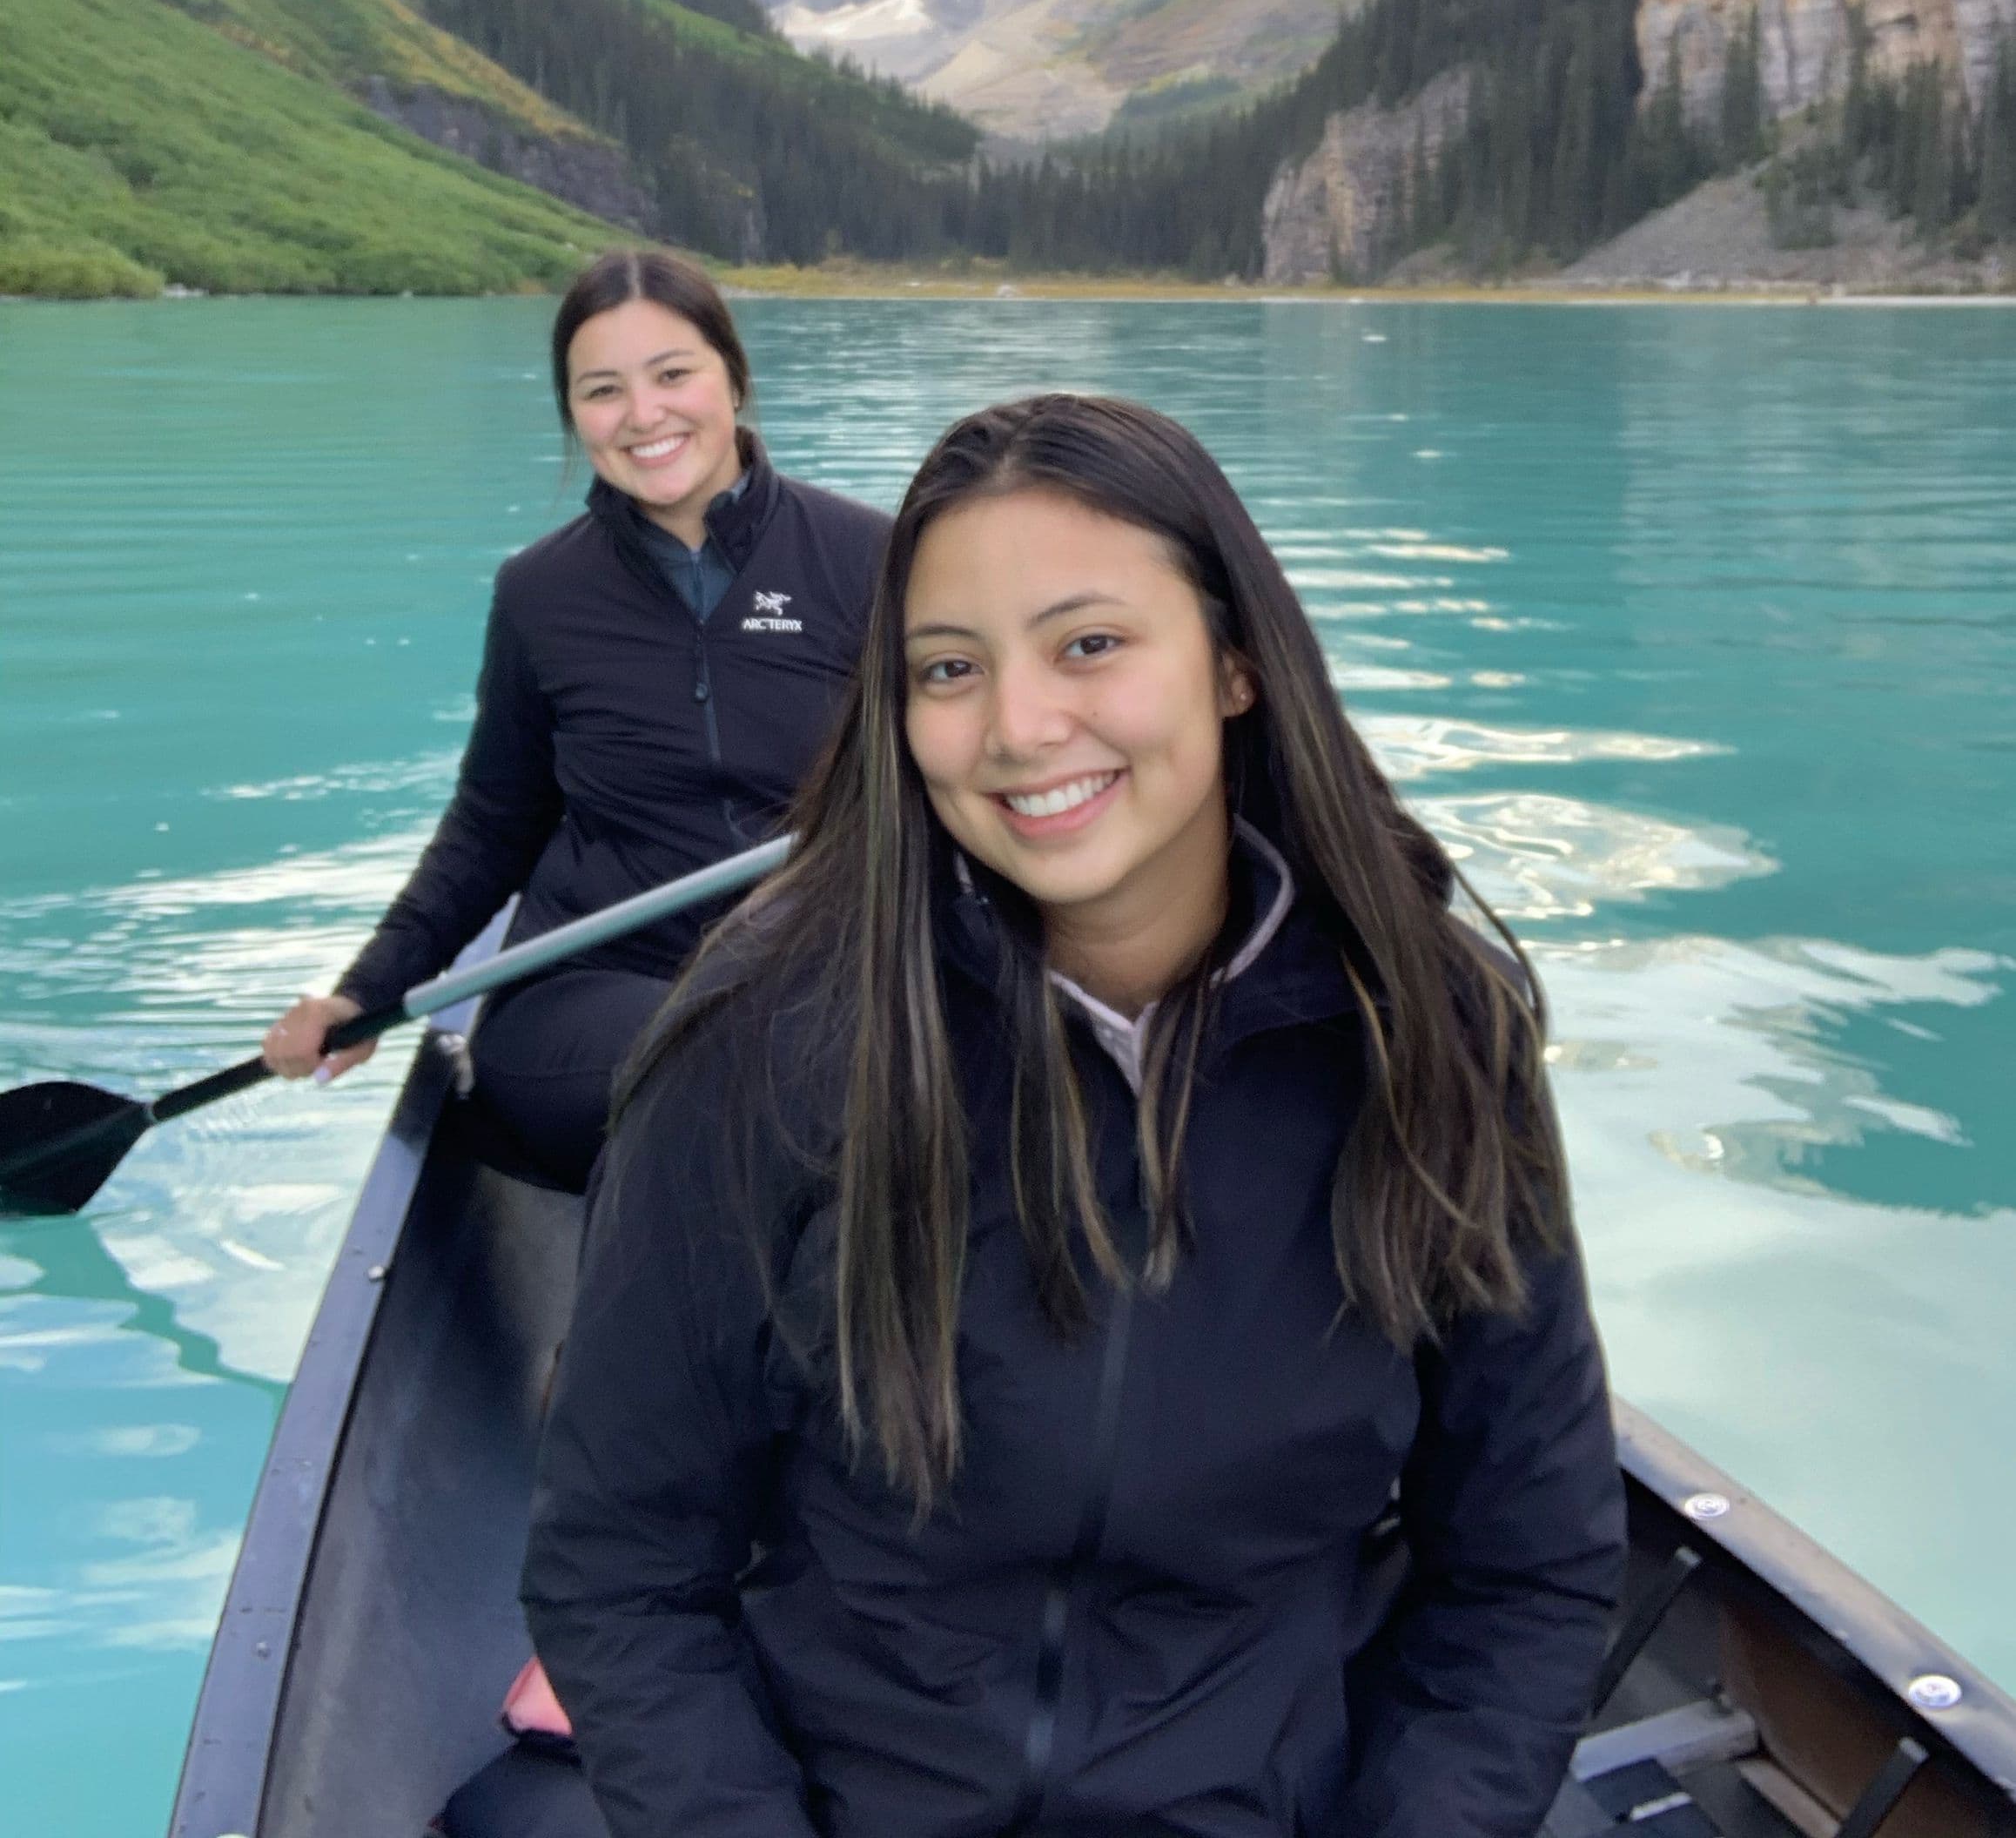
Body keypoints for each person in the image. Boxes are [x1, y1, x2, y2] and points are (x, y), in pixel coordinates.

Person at [522, 394, 1624, 1838]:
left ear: (1234, 660)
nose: (1018, 727)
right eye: (948, 667)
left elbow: (1526, 1568)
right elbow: (622, 1563)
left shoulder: (1430, 1037)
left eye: (1089, 643)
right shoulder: (770, 1033)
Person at [261, 247, 887, 1193]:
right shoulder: (540, 593)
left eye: (673, 373)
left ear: (734, 378)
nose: (644, 415)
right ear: (572, 414)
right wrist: (365, 988)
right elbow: (491, 823)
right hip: (593, 990)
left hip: (824, 971)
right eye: (603, 390)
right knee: (719, 1071)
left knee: (829, 1066)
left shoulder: (870, 558)